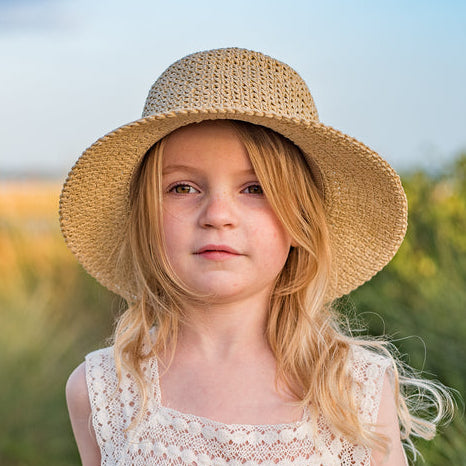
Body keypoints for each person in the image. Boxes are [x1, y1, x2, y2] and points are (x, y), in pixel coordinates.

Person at [61, 48, 452, 465]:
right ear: (146, 219)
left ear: (300, 218)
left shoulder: (355, 391)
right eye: (182, 188)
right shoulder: (103, 391)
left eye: (255, 189)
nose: (217, 216)